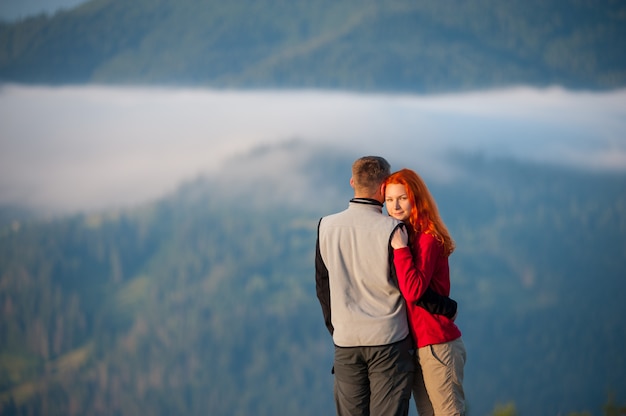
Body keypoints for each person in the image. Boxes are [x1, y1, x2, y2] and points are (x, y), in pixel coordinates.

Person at [315, 156, 456, 416]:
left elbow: (323, 288)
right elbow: (408, 286)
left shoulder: (325, 226)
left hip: (345, 341)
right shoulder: (393, 229)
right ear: (383, 188)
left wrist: (336, 328)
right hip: (389, 341)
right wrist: (445, 306)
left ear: (352, 182)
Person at [384, 168, 466, 416]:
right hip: (418, 344)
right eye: (389, 200)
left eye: (402, 198)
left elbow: (413, 290)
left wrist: (399, 249)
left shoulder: (426, 238)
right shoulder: (408, 235)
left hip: (437, 344)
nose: (395, 205)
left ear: (415, 198)